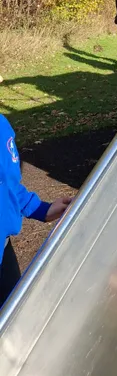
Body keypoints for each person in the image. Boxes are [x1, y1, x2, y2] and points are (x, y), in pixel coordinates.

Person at [0, 114, 72, 307]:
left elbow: (10, 185)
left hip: (4, 250)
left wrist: (42, 209)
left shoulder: (2, 127)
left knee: (13, 314)